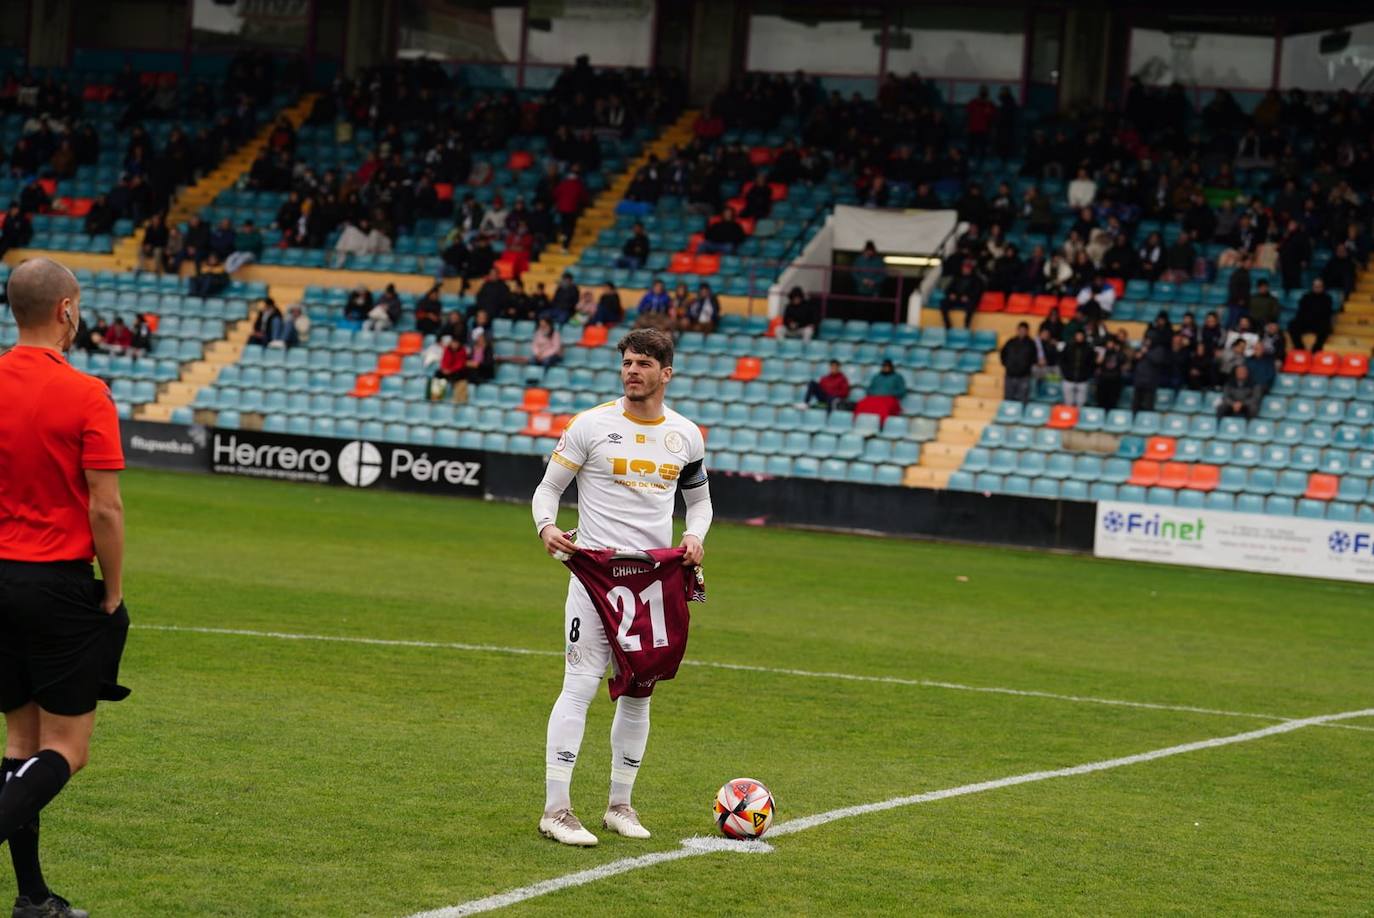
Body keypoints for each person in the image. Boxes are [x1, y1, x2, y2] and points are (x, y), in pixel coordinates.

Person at [531, 328, 711, 846]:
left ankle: (619, 804)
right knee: (581, 683)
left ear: (666, 374)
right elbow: (548, 489)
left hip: (652, 582)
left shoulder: (686, 436)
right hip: (595, 575)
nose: (632, 371)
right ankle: (557, 808)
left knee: (639, 692)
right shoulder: (590, 426)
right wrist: (547, 527)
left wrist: (694, 536)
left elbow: (698, 502)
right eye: (628, 362)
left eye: (644, 364)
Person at [0, 257, 130, 918]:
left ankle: (32, 899)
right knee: (66, 752)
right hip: (55, 582)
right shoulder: (86, 392)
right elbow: (104, 508)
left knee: (19, 749)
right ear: (67, 311)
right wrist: (112, 592)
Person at [1288, 278, 1333, 352]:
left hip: (1319, 323)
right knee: (1292, 325)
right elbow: (1301, 311)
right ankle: (1300, 348)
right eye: (1316, 286)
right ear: (1312, 287)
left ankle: (1315, 351)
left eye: (1319, 286)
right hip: (1306, 322)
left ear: (1323, 287)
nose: (1317, 288)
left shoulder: (1327, 298)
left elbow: (1327, 313)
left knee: (1326, 328)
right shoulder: (1306, 297)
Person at [1000, 322, 1036, 403]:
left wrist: (1026, 367)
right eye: (1020, 330)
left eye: (1024, 330)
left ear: (1027, 331)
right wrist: (1006, 364)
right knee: (1008, 398)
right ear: (1017, 330)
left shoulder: (1031, 343)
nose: (1022, 332)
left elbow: (1034, 358)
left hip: (1024, 376)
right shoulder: (1010, 342)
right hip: (1010, 374)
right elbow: (1003, 353)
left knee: (1022, 400)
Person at [941, 260, 982, 329]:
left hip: (968, 300)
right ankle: (947, 325)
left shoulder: (976, 279)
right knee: (943, 303)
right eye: (964, 268)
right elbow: (948, 289)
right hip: (956, 299)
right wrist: (951, 294)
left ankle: (966, 325)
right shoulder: (957, 277)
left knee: (971, 306)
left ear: (971, 269)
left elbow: (977, 291)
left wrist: (968, 296)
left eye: (967, 268)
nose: (965, 270)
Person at [1059, 328, 1094, 407]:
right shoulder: (1068, 346)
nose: (1079, 337)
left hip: (1083, 380)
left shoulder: (1088, 348)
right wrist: (1065, 373)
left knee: (1080, 404)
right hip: (1068, 379)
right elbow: (1062, 361)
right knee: (1068, 403)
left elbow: (1091, 364)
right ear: (1075, 336)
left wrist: (1087, 375)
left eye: (1081, 335)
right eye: (1078, 335)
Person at [1095, 336, 1127, 410]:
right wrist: (1102, 354)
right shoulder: (1103, 352)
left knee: (1112, 403)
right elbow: (1097, 362)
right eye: (1108, 343)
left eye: (1112, 343)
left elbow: (1123, 361)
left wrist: (1118, 351)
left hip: (1115, 381)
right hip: (1103, 380)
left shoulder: (1119, 353)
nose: (1110, 344)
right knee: (1101, 402)